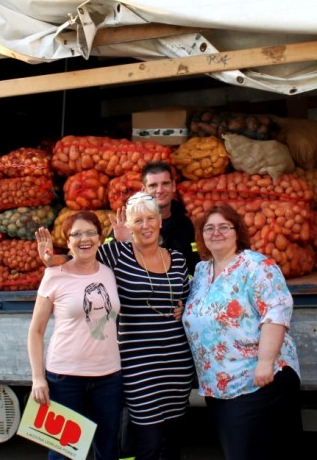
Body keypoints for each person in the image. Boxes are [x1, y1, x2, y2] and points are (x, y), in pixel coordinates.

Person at [36, 193, 195, 460]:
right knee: (146, 442)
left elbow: (192, 296)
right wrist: (51, 261)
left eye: (151, 219)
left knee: (167, 442)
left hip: (174, 365)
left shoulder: (178, 259)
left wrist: (184, 306)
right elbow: (82, 256)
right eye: (138, 220)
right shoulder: (117, 255)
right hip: (135, 364)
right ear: (130, 226)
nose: (145, 225)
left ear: (160, 222)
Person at [182, 202, 303, 460]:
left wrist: (265, 362)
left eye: (224, 227)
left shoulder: (256, 265)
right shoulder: (202, 271)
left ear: (237, 231)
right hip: (219, 385)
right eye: (209, 228)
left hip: (257, 381)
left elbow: (277, 311)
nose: (216, 233)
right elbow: (202, 310)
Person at [28, 210, 123, 460]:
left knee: (108, 448)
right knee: (63, 453)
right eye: (76, 234)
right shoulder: (55, 275)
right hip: (65, 379)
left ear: (101, 239)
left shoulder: (108, 272)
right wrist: (38, 378)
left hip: (108, 377)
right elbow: (36, 331)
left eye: (91, 232)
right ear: (67, 241)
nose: (85, 239)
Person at [110, 161, 200, 275]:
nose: (160, 190)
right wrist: (123, 241)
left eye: (165, 184)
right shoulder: (127, 223)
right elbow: (109, 265)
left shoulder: (185, 223)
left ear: (173, 186)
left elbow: (193, 263)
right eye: (153, 185)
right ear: (143, 190)